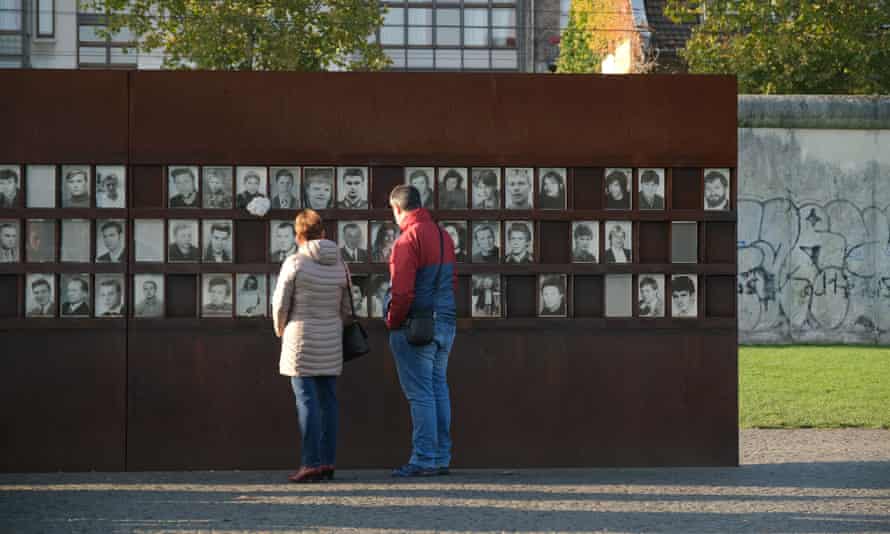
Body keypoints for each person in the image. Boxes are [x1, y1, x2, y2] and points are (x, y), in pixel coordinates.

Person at [272, 209, 351, 483]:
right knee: (328, 401)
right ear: (324, 233)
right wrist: (333, 325)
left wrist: (280, 329)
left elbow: (281, 304)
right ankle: (328, 462)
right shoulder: (341, 264)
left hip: (301, 339)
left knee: (306, 401)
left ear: (298, 235)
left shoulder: (295, 263)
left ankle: (310, 463)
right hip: (331, 339)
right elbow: (348, 307)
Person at [385, 184, 457, 477]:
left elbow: (402, 292)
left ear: (397, 208)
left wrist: (392, 320)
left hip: (417, 327)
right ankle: (440, 457)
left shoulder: (407, 240)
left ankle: (424, 458)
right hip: (446, 322)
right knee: (439, 388)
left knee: (421, 394)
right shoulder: (443, 235)